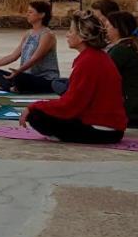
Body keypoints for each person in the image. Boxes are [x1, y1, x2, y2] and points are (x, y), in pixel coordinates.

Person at [21, 10, 127, 144]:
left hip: (102, 130)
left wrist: (33, 106)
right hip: (111, 128)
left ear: (82, 36)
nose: (67, 35)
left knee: (36, 116)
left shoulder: (88, 61)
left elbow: (70, 105)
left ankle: (63, 135)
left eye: (71, 31)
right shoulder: (98, 57)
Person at [0, 1, 60, 94]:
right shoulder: (28, 33)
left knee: (19, 78)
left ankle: (12, 87)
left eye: (31, 12)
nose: (27, 14)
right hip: (26, 77)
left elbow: (35, 58)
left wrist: (19, 71)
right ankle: (13, 88)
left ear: (42, 15)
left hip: (45, 80)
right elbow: (13, 56)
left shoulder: (47, 35)